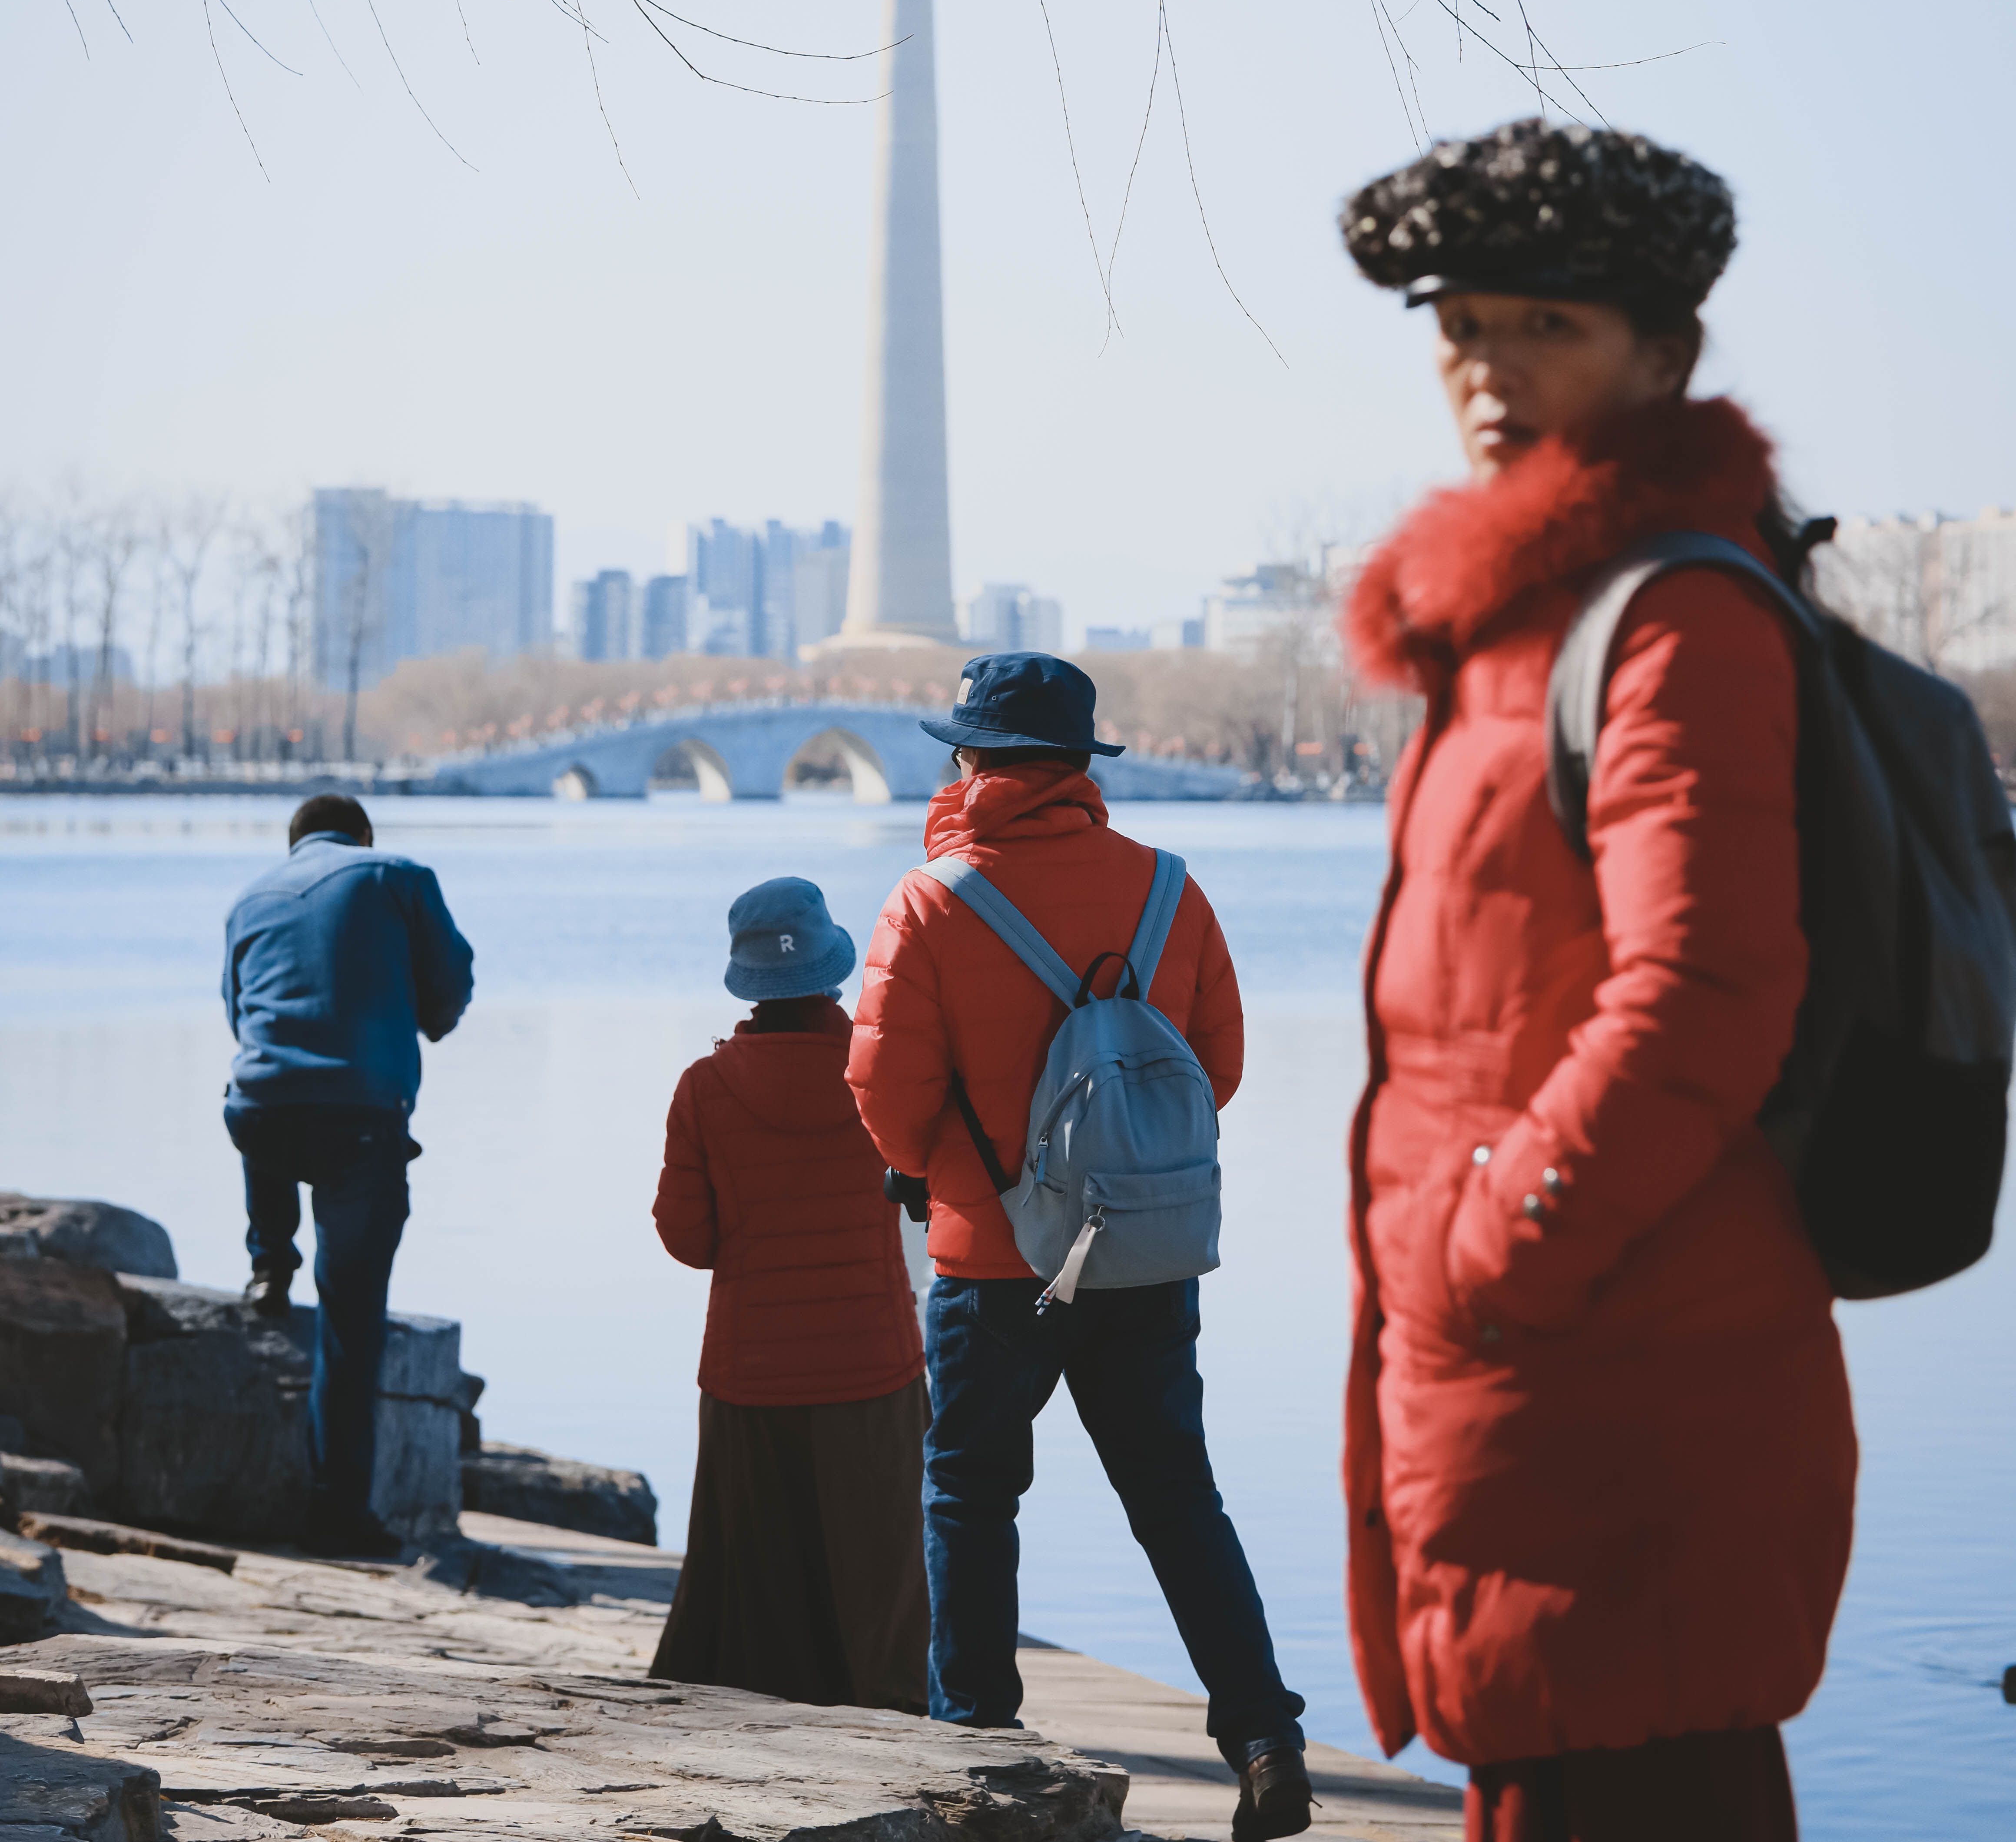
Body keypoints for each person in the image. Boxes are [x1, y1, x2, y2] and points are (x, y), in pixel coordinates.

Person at [1335, 118, 1858, 1842]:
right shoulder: (1515, 630)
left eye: (1543, 325)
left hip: (1624, 1368)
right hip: (1534, 1371)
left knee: (1635, 1778)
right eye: (1459, 324)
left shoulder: (1666, 621)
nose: (1486, 369)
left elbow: (1706, 985)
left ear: (1665, 350)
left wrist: (1490, 1245)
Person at [848, 653, 1311, 1842]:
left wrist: (961, 1171)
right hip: (1143, 1256)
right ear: (1079, 762)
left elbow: (888, 1097)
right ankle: (1264, 1736)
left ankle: (976, 1740)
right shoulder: (1169, 888)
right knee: (1178, 1495)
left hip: (996, 1258)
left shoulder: (932, 900)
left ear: (972, 760)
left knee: (969, 1493)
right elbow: (1215, 1067)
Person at [650, 876, 928, 1711]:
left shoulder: (704, 1088)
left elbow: (688, 1240)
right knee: (879, 1582)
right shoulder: (883, 1073)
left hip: (752, 1375)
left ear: (747, 981)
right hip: (873, 1369)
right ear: (831, 968)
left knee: (758, 1589)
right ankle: (895, 1728)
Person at [222, 793, 474, 1557]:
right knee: (351, 1319)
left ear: (294, 843)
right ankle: (338, 1513)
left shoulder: (250, 897)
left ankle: (270, 1261)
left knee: (263, 1098)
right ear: (362, 834)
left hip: (259, 1114)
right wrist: (423, 1017)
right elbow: (450, 987)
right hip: (360, 1120)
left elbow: (241, 1015)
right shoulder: (398, 876)